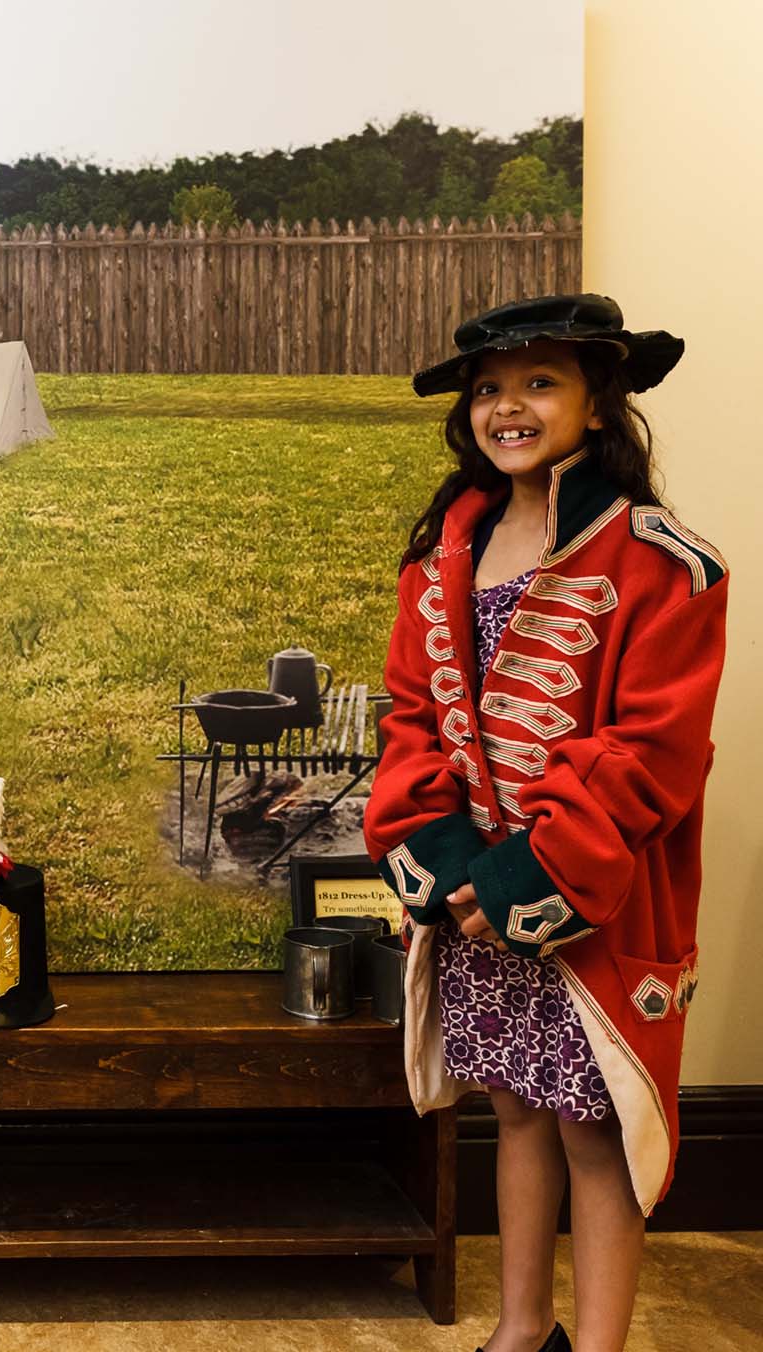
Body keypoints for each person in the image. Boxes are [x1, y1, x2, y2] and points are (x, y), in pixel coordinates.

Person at [363, 295, 727, 1352]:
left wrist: (534, 871)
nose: (506, 406)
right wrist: (442, 857)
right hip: (469, 883)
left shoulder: (662, 562)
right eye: (487, 388)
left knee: (593, 1127)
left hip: (586, 899)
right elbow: (410, 713)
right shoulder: (439, 553)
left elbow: (649, 750)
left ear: (596, 404)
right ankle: (520, 1330)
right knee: (513, 1106)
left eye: (538, 383)